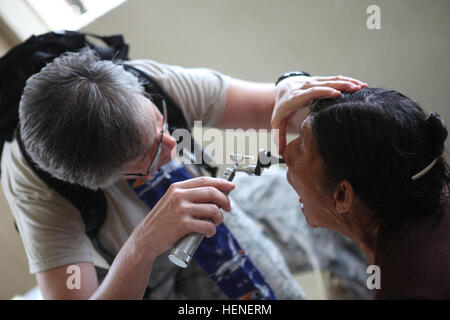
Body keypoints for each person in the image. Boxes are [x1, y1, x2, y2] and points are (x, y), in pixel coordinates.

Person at [1, 48, 367, 299]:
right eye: (147, 154)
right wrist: (143, 244)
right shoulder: (42, 192)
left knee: (344, 209)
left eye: (160, 123)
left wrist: (292, 86)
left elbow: (265, 107)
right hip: (142, 273)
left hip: (217, 203)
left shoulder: (136, 82)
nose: (172, 146)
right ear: (89, 181)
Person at [271, 76, 450, 299]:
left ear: (342, 195)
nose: (285, 153)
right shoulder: (424, 185)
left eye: (302, 146)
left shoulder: (406, 289)